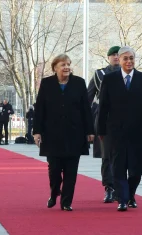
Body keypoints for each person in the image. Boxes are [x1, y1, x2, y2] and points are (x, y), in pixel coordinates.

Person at [97, 46, 142, 211]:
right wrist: (100, 130)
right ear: (120, 60)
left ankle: (131, 194)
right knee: (117, 166)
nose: (129, 61)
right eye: (125, 58)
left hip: (138, 130)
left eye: (131, 58)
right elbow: (103, 106)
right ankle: (122, 199)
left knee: (136, 168)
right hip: (115, 131)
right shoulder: (109, 79)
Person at [33, 54, 94, 211]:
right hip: (52, 134)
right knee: (54, 170)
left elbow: (86, 109)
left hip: (75, 133)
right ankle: (54, 193)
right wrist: (37, 131)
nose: (66, 67)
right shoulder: (47, 83)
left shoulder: (79, 83)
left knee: (71, 170)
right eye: (63, 64)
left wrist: (90, 131)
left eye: (68, 64)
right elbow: (40, 108)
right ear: (55, 68)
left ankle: (66, 202)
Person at [87, 46, 121, 203]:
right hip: (105, 119)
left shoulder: (129, 74)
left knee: (122, 155)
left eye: (118, 55)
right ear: (108, 57)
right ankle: (109, 187)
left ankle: (122, 188)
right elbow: (88, 97)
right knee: (106, 155)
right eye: (113, 55)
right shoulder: (99, 74)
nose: (116, 57)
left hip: (123, 120)